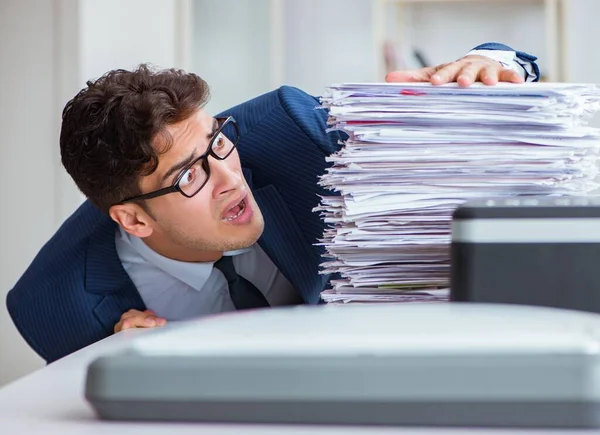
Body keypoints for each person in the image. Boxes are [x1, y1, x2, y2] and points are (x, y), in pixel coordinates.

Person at [6, 43, 539, 363]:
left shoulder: (291, 135)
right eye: (191, 174)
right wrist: (122, 369)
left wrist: (486, 65)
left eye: (217, 142)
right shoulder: (57, 306)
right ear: (132, 219)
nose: (229, 177)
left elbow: (489, 84)